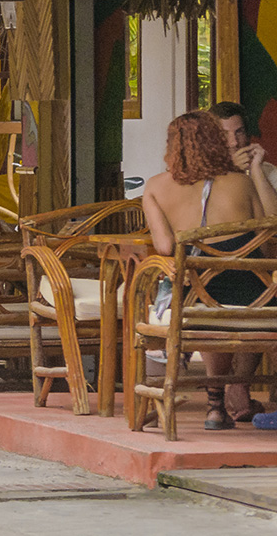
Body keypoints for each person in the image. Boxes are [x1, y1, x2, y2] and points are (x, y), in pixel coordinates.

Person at [141, 110, 277, 430]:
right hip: (258, 302)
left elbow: (163, 248)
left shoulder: (156, 187)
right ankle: (235, 396)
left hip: (197, 306)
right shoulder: (241, 183)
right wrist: (255, 170)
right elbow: (269, 231)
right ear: (216, 143)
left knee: (200, 290)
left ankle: (215, 406)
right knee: (220, 287)